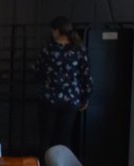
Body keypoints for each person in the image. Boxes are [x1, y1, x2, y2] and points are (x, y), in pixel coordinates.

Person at [35, 16, 92, 151]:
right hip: (71, 98)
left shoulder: (48, 50)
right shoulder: (79, 50)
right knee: (64, 137)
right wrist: (86, 97)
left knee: (46, 137)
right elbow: (86, 75)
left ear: (57, 31)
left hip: (49, 98)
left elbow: (38, 71)